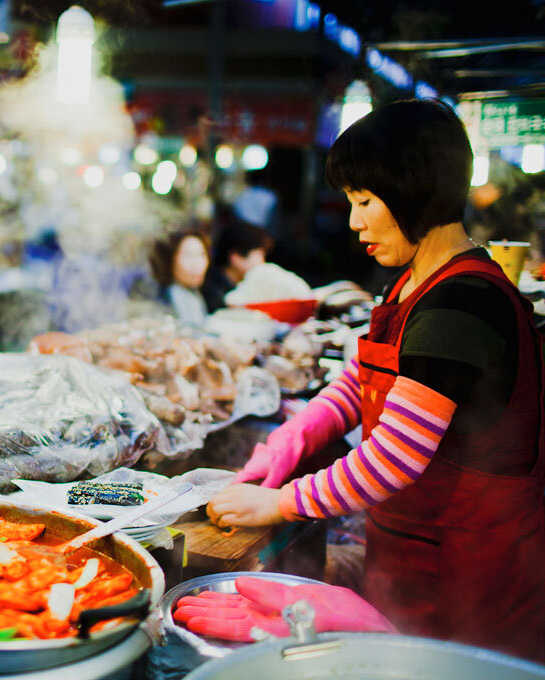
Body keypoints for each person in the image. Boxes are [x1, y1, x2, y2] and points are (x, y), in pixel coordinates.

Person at [207, 99, 544, 663]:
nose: (353, 221)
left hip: (472, 584)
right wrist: (296, 436)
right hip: (416, 563)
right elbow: (362, 380)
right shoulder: (410, 284)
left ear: (413, 191)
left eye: (364, 202)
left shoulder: (459, 303)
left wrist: (283, 503)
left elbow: (393, 458)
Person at [201, 219, 273, 311]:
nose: (262, 261)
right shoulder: (213, 291)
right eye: (259, 254)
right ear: (235, 257)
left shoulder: (242, 285)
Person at [150, 225, 211, 326]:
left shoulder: (191, 291)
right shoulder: (168, 298)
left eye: (202, 254)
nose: (198, 264)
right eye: (188, 255)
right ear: (169, 260)